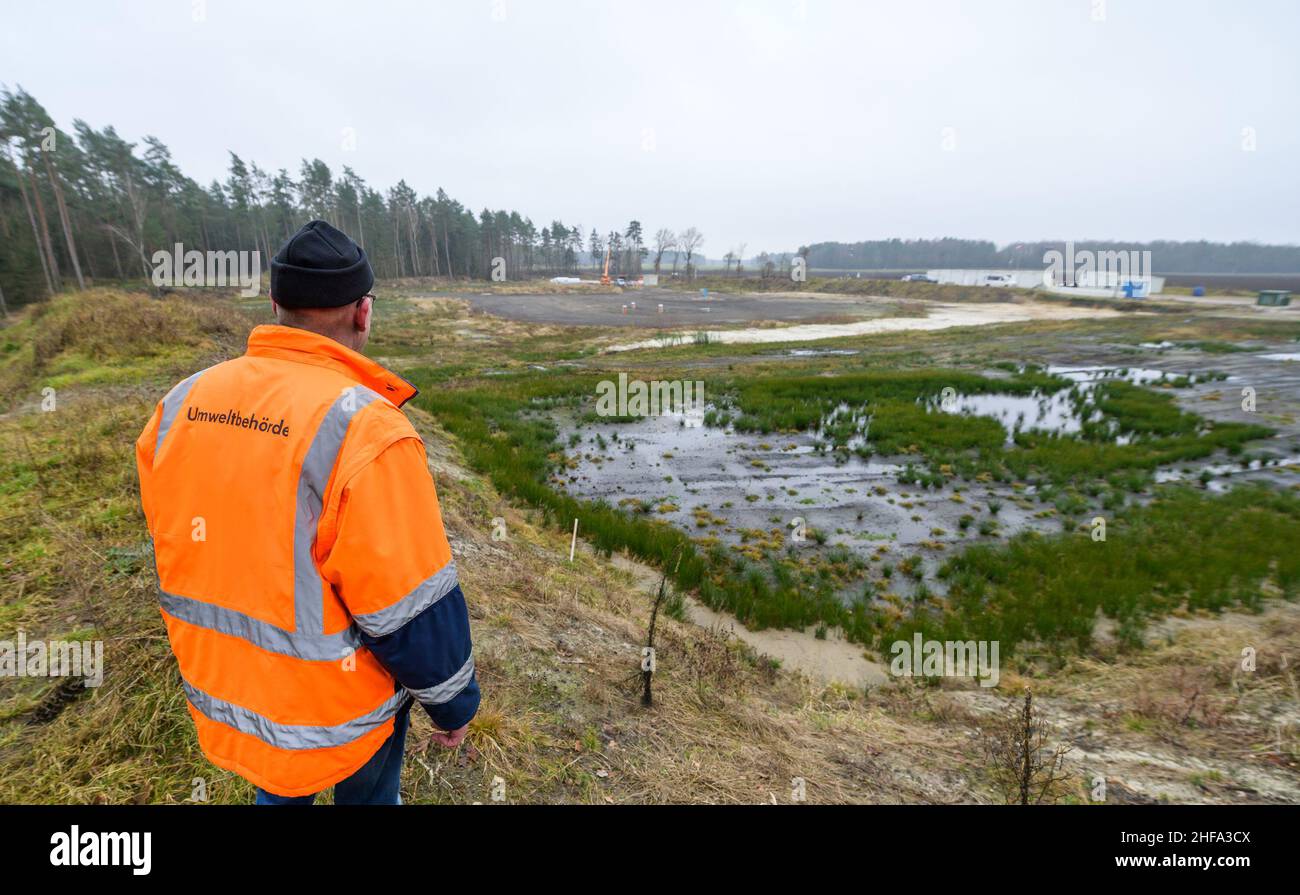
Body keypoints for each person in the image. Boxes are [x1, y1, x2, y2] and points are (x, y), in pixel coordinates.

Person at [136, 220, 478, 804]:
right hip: (340, 714)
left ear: (275, 304)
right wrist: (452, 705)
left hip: (228, 693)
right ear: (363, 312)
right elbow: (407, 603)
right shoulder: (366, 430)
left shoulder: (181, 404)